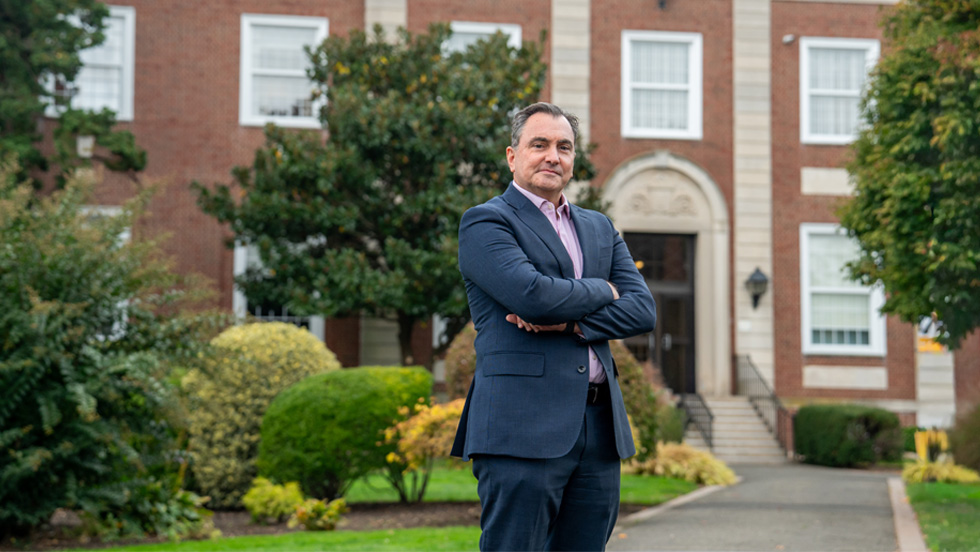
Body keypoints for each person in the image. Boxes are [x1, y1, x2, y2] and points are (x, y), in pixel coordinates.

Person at [451, 102, 657, 551]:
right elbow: (534, 298)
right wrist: (604, 288)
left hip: (598, 431)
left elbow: (643, 310)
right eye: (539, 144)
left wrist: (570, 324)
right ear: (512, 155)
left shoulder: (599, 227)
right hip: (521, 429)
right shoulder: (487, 222)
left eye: (564, 147)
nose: (553, 156)